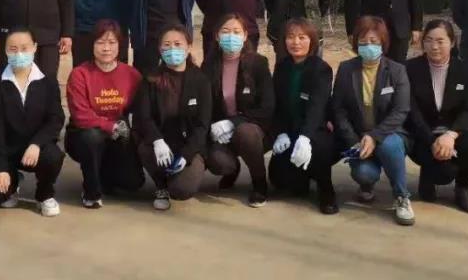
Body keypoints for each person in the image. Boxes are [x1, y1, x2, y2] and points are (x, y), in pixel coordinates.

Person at [332, 16, 415, 226]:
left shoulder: (397, 70)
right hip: (358, 137)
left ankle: (402, 196)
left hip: (389, 134)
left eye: (374, 41)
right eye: (363, 42)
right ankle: (367, 184)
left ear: (383, 43)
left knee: (389, 145)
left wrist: (374, 136)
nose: (368, 46)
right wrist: (353, 140)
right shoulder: (346, 69)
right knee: (364, 173)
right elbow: (338, 109)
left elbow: (401, 110)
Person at [0, 28, 66, 217]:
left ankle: (44, 194)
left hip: (37, 149)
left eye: (25, 48)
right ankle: (13, 180)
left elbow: (55, 119)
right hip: (8, 148)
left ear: (35, 47)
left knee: (53, 156)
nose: (19, 54)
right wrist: (1, 167)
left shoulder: (48, 81)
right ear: (5, 51)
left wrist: (36, 144)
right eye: (13, 49)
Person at [405, 19, 468, 214]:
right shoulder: (410, 69)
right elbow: (412, 111)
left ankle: (462, 189)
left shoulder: (466, 70)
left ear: (452, 42)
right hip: (423, 133)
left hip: (454, 131)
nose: (434, 46)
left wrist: (451, 134)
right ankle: (428, 175)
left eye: (440, 41)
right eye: (429, 40)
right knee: (442, 174)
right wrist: (432, 140)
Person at [64, 19, 144, 208]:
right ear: (92, 45)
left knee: (133, 182)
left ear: (120, 45)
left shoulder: (132, 75)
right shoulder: (80, 74)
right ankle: (91, 191)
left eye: (111, 42)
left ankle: (102, 174)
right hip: (85, 134)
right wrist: (109, 125)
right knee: (92, 137)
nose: (106, 48)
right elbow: (80, 115)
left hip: (119, 135)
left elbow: (141, 109)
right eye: (100, 42)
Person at [133, 24, 211, 210]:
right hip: (161, 143)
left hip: (188, 145)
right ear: (160, 49)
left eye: (178, 44)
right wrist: (157, 140)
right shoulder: (151, 79)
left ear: (188, 47)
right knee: (145, 148)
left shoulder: (200, 80)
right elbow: (144, 116)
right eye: (166, 45)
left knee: (181, 190)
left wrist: (186, 154)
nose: (172, 49)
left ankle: (180, 176)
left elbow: (203, 125)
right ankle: (160, 186)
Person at [202, 14, 274, 207]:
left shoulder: (258, 63)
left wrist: (233, 122)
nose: (231, 36)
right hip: (221, 132)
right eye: (225, 32)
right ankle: (232, 170)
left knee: (246, 132)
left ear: (245, 36)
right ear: (217, 36)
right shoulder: (209, 65)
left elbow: (267, 107)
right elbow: (205, 104)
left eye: (236, 32)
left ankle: (259, 182)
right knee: (218, 162)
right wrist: (212, 127)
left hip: (254, 129)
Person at [268, 18, 338, 214]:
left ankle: (326, 191)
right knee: (279, 179)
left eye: (302, 37)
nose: (295, 42)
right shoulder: (282, 67)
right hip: (290, 129)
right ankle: (303, 178)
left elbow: (317, 107)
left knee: (320, 149)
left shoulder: (321, 69)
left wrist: (305, 137)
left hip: (314, 129)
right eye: (290, 37)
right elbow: (277, 105)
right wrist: (280, 132)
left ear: (312, 41)